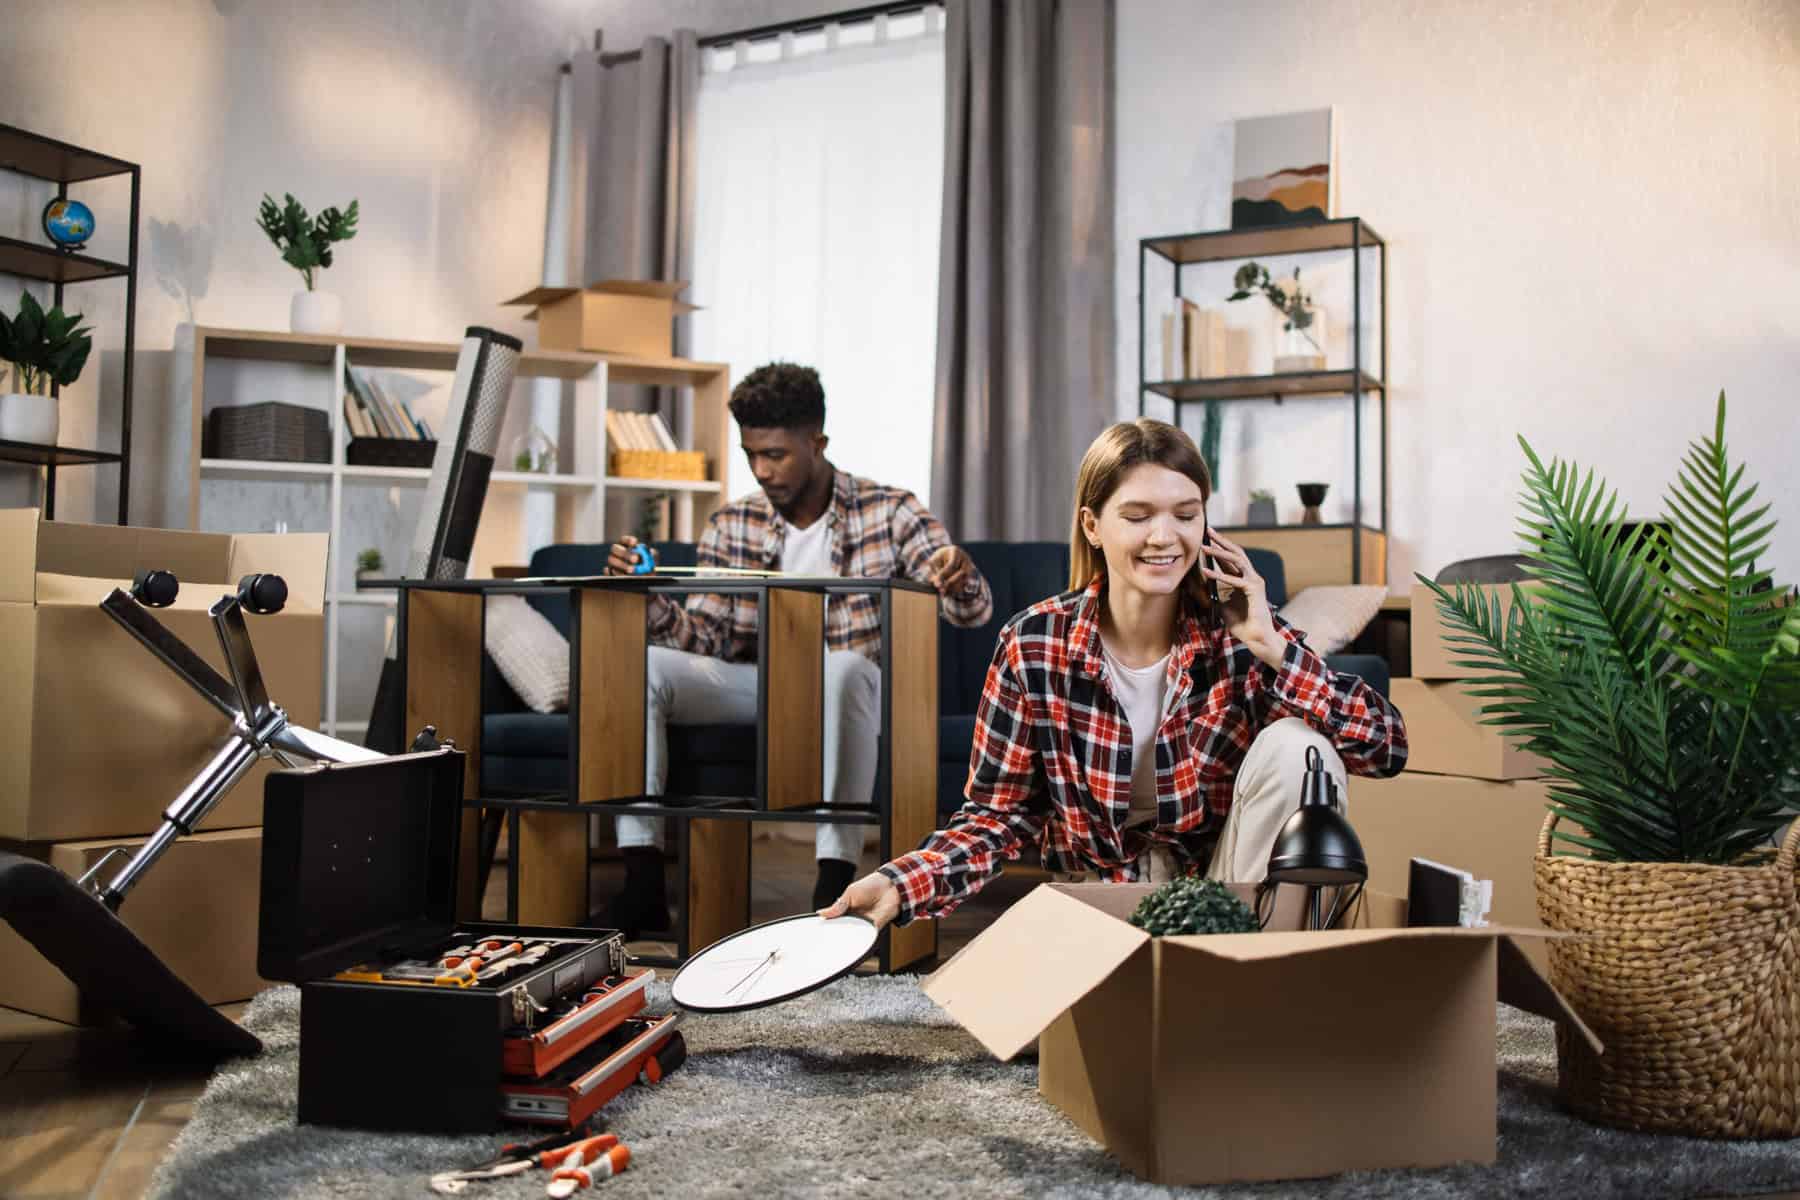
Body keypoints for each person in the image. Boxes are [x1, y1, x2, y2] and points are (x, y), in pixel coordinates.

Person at [821, 417, 1408, 930]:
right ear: (1094, 526)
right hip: (1099, 903)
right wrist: (902, 883)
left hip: (1228, 901)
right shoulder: (1036, 644)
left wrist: (1272, 646)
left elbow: (1387, 748)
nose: (1164, 536)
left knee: (1300, 747)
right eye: (1138, 515)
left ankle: (1256, 982)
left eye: (1186, 514)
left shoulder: (1243, 637)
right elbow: (998, 815)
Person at [601, 362, 993, 937]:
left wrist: (956, 576)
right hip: (755, 684)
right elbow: (710, 637)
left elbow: (972, 611)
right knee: (644, 666)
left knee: (844, 669)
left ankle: (833, 881)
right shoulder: (734, 521)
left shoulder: (892, 510)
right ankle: (642, 886)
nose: (762, 471)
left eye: (776, 455)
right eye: (751, 454)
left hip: (851, 689)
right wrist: (648, 599)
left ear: (818, 442)